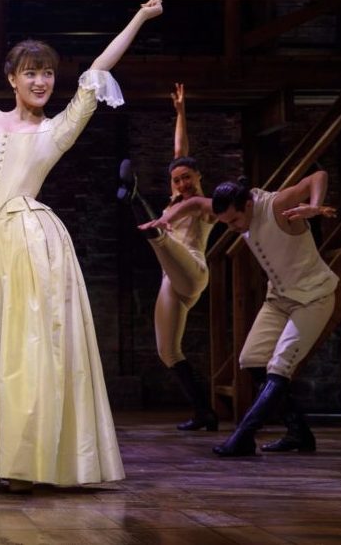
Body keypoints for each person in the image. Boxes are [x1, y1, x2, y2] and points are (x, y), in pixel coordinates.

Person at [0, 0, 163, 490]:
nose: (41, 82)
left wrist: (138, 17)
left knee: (23, 352)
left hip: (26, 245)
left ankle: (20, 462)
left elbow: (98, 69)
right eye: (31, 73)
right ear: (12, 77)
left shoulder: (56, 129)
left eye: (48, 74)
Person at [210, 172, 337, 456]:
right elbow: (197, 205)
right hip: (278, 298)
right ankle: (299, 433)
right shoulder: (237, 209)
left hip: (312, 297)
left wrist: (314, 206)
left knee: (279, 366)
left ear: (248, 205)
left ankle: (243, 436)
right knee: (251, 359)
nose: (232, 228)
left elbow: (318, 176)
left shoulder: (276, 205)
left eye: (234, 221)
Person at [117, 83, 219, 431]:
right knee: (167, 351)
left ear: (198, 177)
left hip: (192, 270)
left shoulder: (205, 204)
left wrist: (162, 222)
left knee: (161, 237)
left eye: (188, 178)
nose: (183, 184)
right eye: (177, 180)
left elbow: (192, 199)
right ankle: (205, 412)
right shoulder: (175, 195)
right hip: (171, 282)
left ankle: (147, 221)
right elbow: (180, 150)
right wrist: (180, 113)